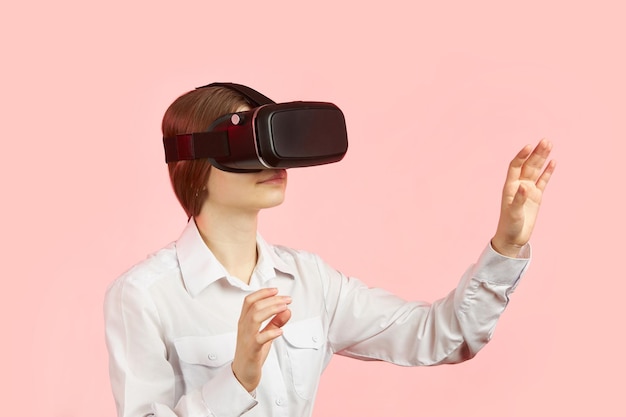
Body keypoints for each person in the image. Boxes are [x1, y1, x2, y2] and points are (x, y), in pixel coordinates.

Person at [104, 84, 556, 417]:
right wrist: (238, 378)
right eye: (250, 146)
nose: (275, 165)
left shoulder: (310, 281)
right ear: (195, 168)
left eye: (276, 145)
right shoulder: (144, 296)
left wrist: (508, 243)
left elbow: (446, 335)